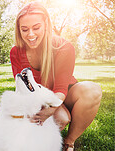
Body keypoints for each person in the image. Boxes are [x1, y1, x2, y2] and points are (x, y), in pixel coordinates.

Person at [10, 2, 102, 151]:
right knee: (61, 118)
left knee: (92, 90)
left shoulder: (63, 47)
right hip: (40, 96)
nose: (31, 34)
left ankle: (69, 142)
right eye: (24, 29)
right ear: (18, 30)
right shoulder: (16, 52)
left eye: (36, 27)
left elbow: (60, 88)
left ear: (46, 24)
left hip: (65, 94)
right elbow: (24, 89)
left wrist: (51, 110)